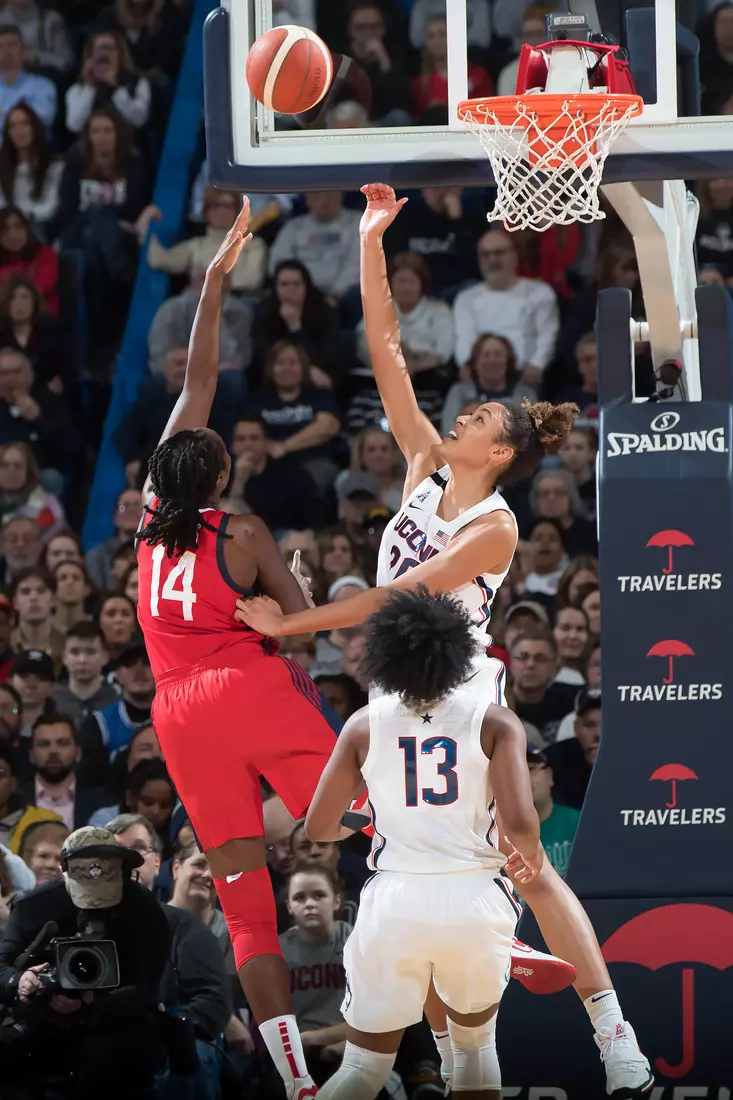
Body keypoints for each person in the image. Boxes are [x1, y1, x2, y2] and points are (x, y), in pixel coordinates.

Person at [237, 183, 653, 1097]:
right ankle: (465, 976)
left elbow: (393, 594)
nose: (460, 415)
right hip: (391, 690)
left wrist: (290, 624)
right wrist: (370, 238)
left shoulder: (498, 527)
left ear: (499, 452)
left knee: (527, 863)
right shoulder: (424, 465)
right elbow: (384, 348)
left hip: (461, 692)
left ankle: (612, 1034)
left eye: (478, 419)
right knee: (415, 889)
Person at [135, 199, 344, 1100]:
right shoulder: (244, 529)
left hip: (176, 713)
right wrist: (286, 581)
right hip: (246, 685)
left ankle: (293, 1072)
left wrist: (214, 280)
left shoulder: (150, 516)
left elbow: (197, 381)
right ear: (217, 474)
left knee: (244, 905)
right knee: (373, 817)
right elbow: (302, 629)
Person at [302, 588, 540, 1100]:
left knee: (363, 1068)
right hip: (474, 897)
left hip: (394, 901)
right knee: (474, 1052)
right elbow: (521, 820)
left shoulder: (364, 724)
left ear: (384, 654)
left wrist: (365, 815)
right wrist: (533, 862)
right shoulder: (496, 721)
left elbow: (318, 828)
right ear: (458, 654)